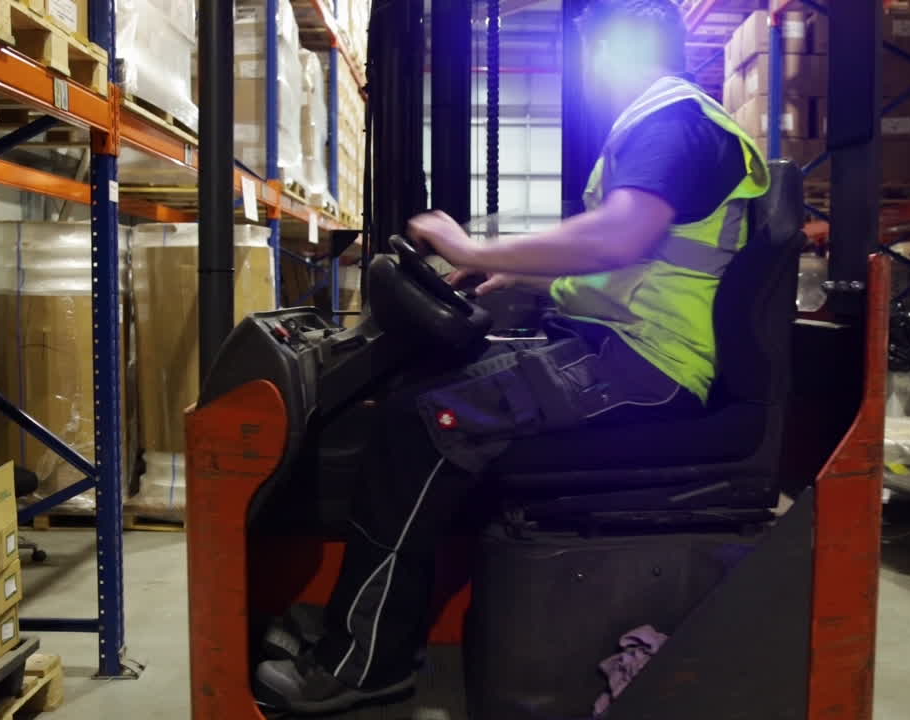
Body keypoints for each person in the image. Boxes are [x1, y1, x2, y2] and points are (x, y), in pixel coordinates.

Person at [254, 0, 769, 712]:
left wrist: (473, 249)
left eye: (591, 50)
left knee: (425, 424)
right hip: (621, 347)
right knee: (419, 397)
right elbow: (632, 264)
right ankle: (362, 622)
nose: (586, 68)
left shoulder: (672, 119)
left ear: (619, 47)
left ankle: (365, 663)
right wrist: (517, 276)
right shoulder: (670, 125)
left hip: (649, 367)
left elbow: (619, 237)